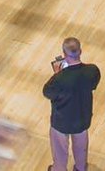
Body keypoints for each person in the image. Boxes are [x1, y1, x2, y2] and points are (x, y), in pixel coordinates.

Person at [43, 37, 101, 171]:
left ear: (64, 54)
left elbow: (47, 92)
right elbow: (93, 84)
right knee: (81, 148)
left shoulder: (59, 78)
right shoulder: (92, 70)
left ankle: (59, 169)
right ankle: (80, 168)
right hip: (82, 119)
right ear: (80, 51)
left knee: (59, 150)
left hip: (61, 122)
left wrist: (57, 74)